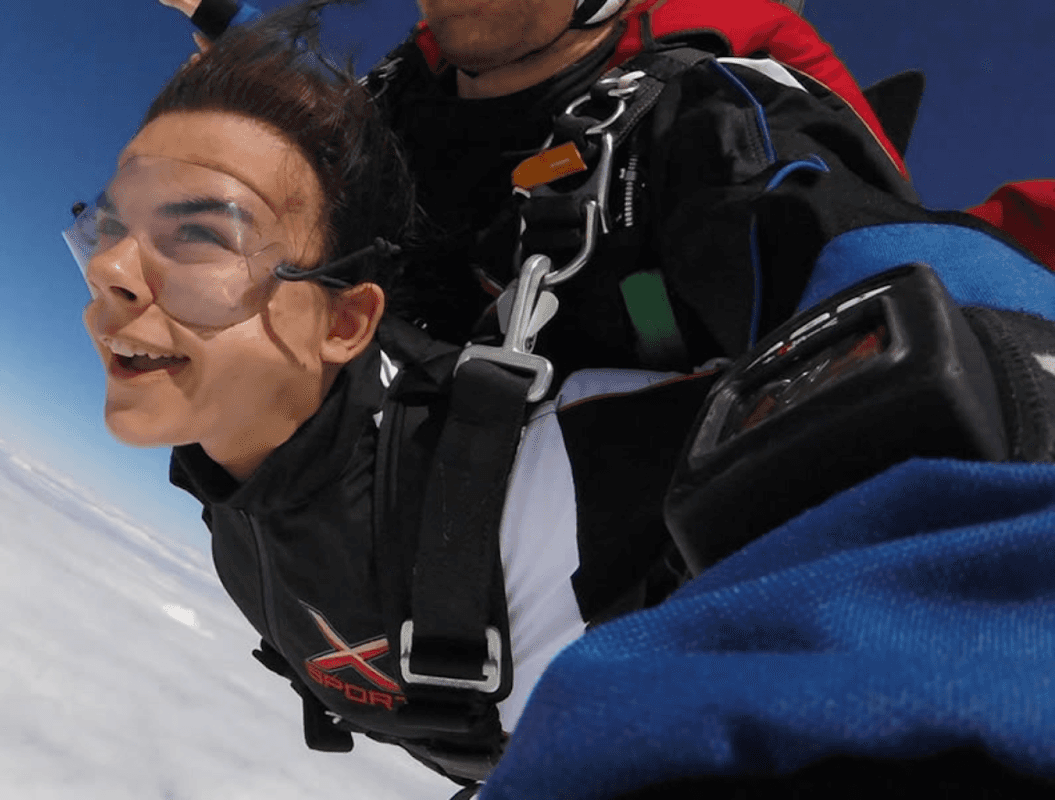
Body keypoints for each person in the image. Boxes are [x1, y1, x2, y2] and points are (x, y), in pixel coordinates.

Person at [91, 2, 1055, 797]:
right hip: (384, 622)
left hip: (589, 674)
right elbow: (272, 161)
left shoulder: (701, 119)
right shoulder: (391, 105)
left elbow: (913, 303)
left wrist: (951, 642)